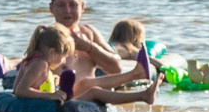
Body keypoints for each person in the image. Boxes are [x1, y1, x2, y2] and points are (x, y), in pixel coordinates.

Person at [10, 24, 158, 105]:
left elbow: (18, 86)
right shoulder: (40, 64)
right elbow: (20, 91)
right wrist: (50, 95)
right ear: (52, 52)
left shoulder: (34, 61)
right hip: (48, 106)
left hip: (49, 101)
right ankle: (142, 96)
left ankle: (136, 74)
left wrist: (51, 84)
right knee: (95, 91)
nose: (63, 61)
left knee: (86, 82)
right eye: (63, 56)